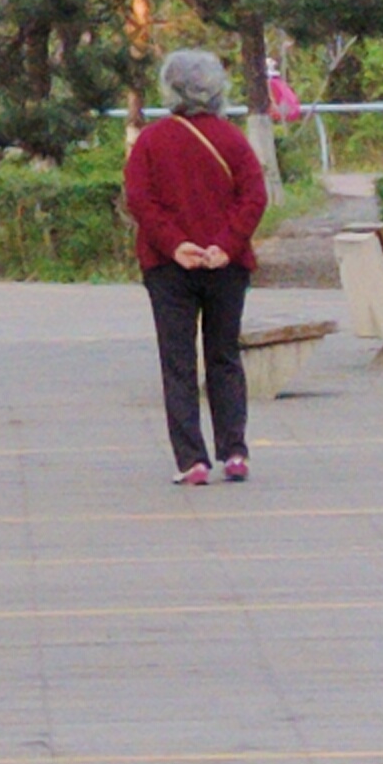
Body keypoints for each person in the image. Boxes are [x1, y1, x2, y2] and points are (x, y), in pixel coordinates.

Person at [124, 48, 268, 487]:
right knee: (225, 356)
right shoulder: (232, 140)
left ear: (171, 88)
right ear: (217, 89)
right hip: (226, 267)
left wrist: (176, 244)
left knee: (178, 362)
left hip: (169, 268)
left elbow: (140, 199)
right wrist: (226, 244)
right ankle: (236, 452)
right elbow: (254, 196)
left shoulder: (151, 140)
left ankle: (192, 461)